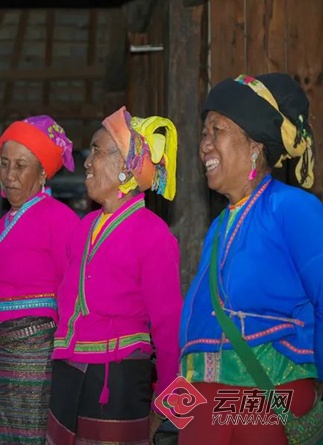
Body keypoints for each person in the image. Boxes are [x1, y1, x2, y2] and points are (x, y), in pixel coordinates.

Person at [178, 73, 323, 445]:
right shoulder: (219, 227)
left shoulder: (292, 208)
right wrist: (173, 407)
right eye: (204, 133)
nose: (204, 144)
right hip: (204, 399)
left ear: (255, 145)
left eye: (217, 130)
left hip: (265, 394)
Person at [47, 107, 182, 445]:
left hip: (116, 382)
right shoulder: (83, 228)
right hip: (68, 375)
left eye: (96, 151)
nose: (87, 162)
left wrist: (166, 410)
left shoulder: (154, 234)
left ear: (125, 165)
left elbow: (170, 328)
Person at [0, 116, 80, 444]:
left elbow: (74, 294)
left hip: (33, 361)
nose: (9, 175)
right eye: (5, 163)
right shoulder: (3, 223)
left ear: (43, 172)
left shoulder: (60, 219)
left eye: (21, 166)